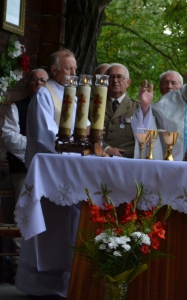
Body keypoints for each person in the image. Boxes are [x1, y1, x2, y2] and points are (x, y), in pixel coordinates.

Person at [16, 50, 81, 299]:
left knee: (68, 228)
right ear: (54, 71)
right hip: (52, 174)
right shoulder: (45, 95)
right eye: (68, 69)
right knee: (49, 231)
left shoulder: (75, 96)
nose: (74, 74)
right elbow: (47, 136)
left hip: (72, 172)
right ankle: (41, 286)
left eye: (75, 69)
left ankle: (67, 283)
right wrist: (77, 154)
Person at [1, 68, 49, 213]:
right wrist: (38, 146)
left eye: (42, 80)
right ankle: (18, 237)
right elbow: (9, 138)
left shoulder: (54, 108)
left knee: (46, 210)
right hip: (22, 169)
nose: (38, 82)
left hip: (49, 169)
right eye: (34, 79)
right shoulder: (17, 107)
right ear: (28, 84)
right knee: (24, 211)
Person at [102, 63, 140, 157]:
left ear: (128, 82)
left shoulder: (138, 108)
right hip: (97, 158)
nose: (115, 80)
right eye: (111, 77)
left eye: (119, 77)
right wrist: (105, 148)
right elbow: (85, 133)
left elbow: (143, 139)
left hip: (126, 161)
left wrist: (122, 153)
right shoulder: (93, 105)